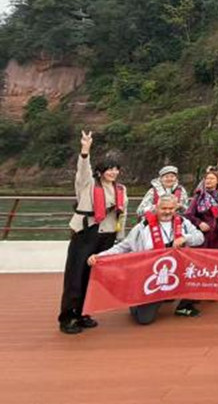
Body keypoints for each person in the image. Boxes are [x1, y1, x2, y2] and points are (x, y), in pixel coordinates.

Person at [88, 194, 205, 323]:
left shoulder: (184, 222)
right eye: (164, 208)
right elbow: (124, 246)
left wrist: (186, 238)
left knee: (195, 272)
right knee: (144, 319)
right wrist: (100, 256)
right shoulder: (142, 227)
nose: (167, 212)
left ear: (176, 208)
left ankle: (183, 306)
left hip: (178, 270)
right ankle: (136, 302)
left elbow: (200, 238)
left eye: (171, 208)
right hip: (150, 275)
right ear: (156, 207)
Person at [59, 131, 128, 335]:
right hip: (85, 235)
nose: (113, 172)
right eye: (109, 169)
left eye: (116, 169)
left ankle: (83, 313)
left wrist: (120, 239)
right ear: (100, 171)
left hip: (106, 237)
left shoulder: (121, 190)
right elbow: (82, 171)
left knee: (92, 276)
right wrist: (85, 150)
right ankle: (68, 317)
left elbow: (121, 216)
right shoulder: (87, 185)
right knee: (76, 275)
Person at [185, 169, 218, 250]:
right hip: (204, 235)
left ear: (217, 181)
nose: (208, 181)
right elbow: (189, 214)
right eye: (207, 178)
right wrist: (199, 223)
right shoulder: (199, 196)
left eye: (212, 179)